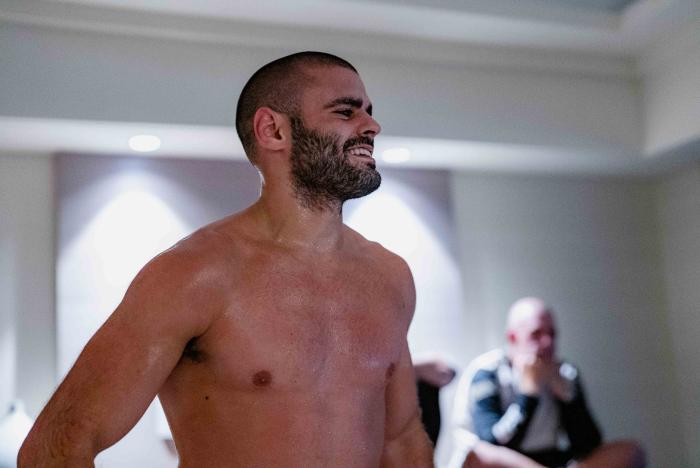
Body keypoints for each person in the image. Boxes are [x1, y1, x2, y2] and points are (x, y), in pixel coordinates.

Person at [18, 51, 434, 467]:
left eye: (369, 113)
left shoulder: (389, 276)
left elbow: (402, 440)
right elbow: (57, 445)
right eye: (345, 111)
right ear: (273, 130)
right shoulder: (194, 275)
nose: (372, 126)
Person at [449, 297, 645, 468]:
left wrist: (568, 400)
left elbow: (589, 444)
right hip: (506, 462)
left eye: (552, 334)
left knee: (631, 452)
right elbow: (491, 442)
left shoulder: (565, 372)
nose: (547, 343)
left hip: (551, 458)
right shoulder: (487, 371)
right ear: (513, 337)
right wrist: (528, 395)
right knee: (480, 455)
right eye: (536, 334)